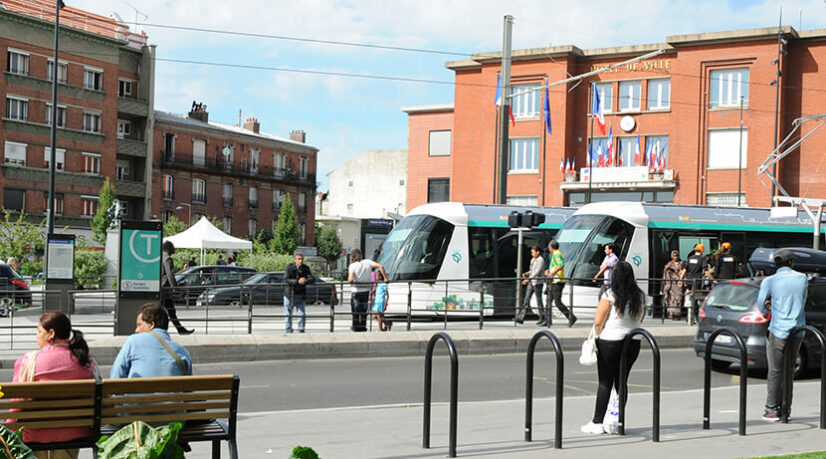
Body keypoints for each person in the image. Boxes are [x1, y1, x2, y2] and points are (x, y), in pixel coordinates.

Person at [12, 312, 97, 456]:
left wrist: (10, 429)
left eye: (39, 331)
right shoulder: (85, 360)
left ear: (51, 333)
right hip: (75, 432)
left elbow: (16, 404)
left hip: (35, 434)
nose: (36, 336)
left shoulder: (28, 362)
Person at [581, 261, 646, 435]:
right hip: (633, 341)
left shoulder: (610, 294)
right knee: (621, 382)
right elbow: (641, 318)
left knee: (605, 382)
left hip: (610, 341)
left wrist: (596, 336)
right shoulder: (640, 296)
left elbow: (598, 321)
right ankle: (618, 421)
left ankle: (597, 422)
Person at [757, 249, 807, 422]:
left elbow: (761, 306)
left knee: (775, 371)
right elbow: (802, 301)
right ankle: (786, 410)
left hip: (778, 329)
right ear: (791, 262)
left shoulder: (769, 281)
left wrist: (771, 306)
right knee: (789, 371)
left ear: (775, 265)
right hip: (798, 329)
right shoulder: (802, 278)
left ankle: (771, 410)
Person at [110, 303, 192, 379]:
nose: (136, 330)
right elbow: (188, 386)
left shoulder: (133, 341)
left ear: (151, 325)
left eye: (139, 325)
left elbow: (116, 375)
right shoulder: (182, 351)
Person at [348, 249, 387, 332]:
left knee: (355, 311)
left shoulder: (352, 266)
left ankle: (356, 327)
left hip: (356, 291)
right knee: (364, 310)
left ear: (353, 257)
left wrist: (351, 283)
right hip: (366, 291)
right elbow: (381, 266)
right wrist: (386, 278)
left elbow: (350, 279)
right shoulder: (368, 262)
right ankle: (363, 326)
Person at [162, 241, 194, 335]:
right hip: (165, 289)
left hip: (161, 289)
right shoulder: (168, 258)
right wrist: (176, 289)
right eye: (172, 247)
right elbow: (170, 275)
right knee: (170, 311)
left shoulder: (160, 256)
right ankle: (179, 330)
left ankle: (180, 329)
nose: (174, 249)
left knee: (170, 311)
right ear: (168, 248)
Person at [545, 240, 577, 326]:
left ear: (551, 247)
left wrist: (552, 273)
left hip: (557, 281)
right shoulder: (555, 254)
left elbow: (561, 264)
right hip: (554, 281)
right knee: (549, 300)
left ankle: (571, 317)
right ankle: (547, 320)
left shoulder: (557, 254)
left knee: (557, 302)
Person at [283, 253, 315, 333]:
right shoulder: (289, 267)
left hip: (301, 294)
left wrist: (306, 280)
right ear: (295, 260)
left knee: (301, 314)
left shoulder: (305, 268)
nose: (300, 261)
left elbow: (312, 278)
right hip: (289, 294)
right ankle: (288, 330)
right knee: (288, 314)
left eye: (302, 259)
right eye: (299, 259)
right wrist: (297, 281)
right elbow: (286, 279)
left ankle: (301, 330)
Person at [516, 245, 545, 324]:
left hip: (537, 283)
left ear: (538, 252)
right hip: (531, 282)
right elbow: (532, 270)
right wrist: (527, 273)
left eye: (533, 252)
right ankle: (520, 318)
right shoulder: (533, 260)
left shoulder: (540, 260)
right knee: (526, 299)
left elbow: (536, 272)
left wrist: (527, 279)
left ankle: (543, 318)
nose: (532, 254)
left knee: (539, 301)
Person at [660, 250, 686, 320]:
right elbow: (664, 274)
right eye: (674, 256)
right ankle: (671, 314)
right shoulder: (669, 264)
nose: (675, 257)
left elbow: (684, 271)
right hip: (671, 284)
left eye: (676, 255)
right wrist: (662, 288)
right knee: (670, 299)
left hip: (679, 284)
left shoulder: (682, 263)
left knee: (678, 298)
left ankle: (677, 314)